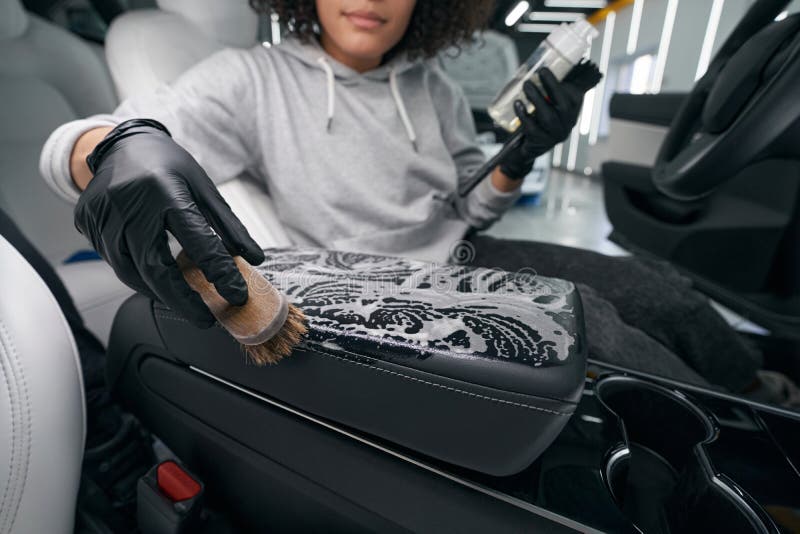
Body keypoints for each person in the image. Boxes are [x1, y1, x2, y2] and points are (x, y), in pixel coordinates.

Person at [40, 0, 766, 394]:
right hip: (382, 283)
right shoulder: (249, 79)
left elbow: (469, 206)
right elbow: (98, 132)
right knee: (599, 331)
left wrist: (519, 156)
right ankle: (748, 465)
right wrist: (110, 149)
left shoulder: (438, 90)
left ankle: (767, 402)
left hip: (469, 251)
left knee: (660, 293)